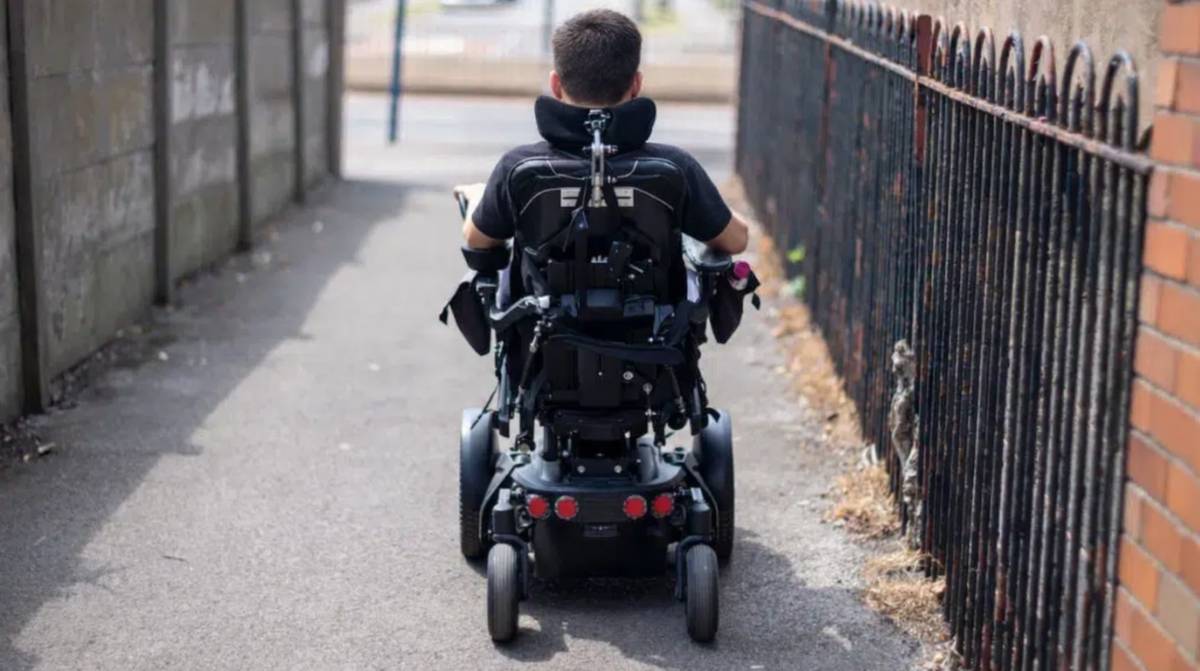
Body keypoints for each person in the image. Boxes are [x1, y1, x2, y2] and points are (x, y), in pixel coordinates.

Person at [461, 9, 750, 255]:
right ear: (636, 84)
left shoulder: (518, 166)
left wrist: (478, 197)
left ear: (555, 85)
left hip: (540, 320)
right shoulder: (675, 167)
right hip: (652, 322)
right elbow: (736, 240)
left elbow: (478, 238)